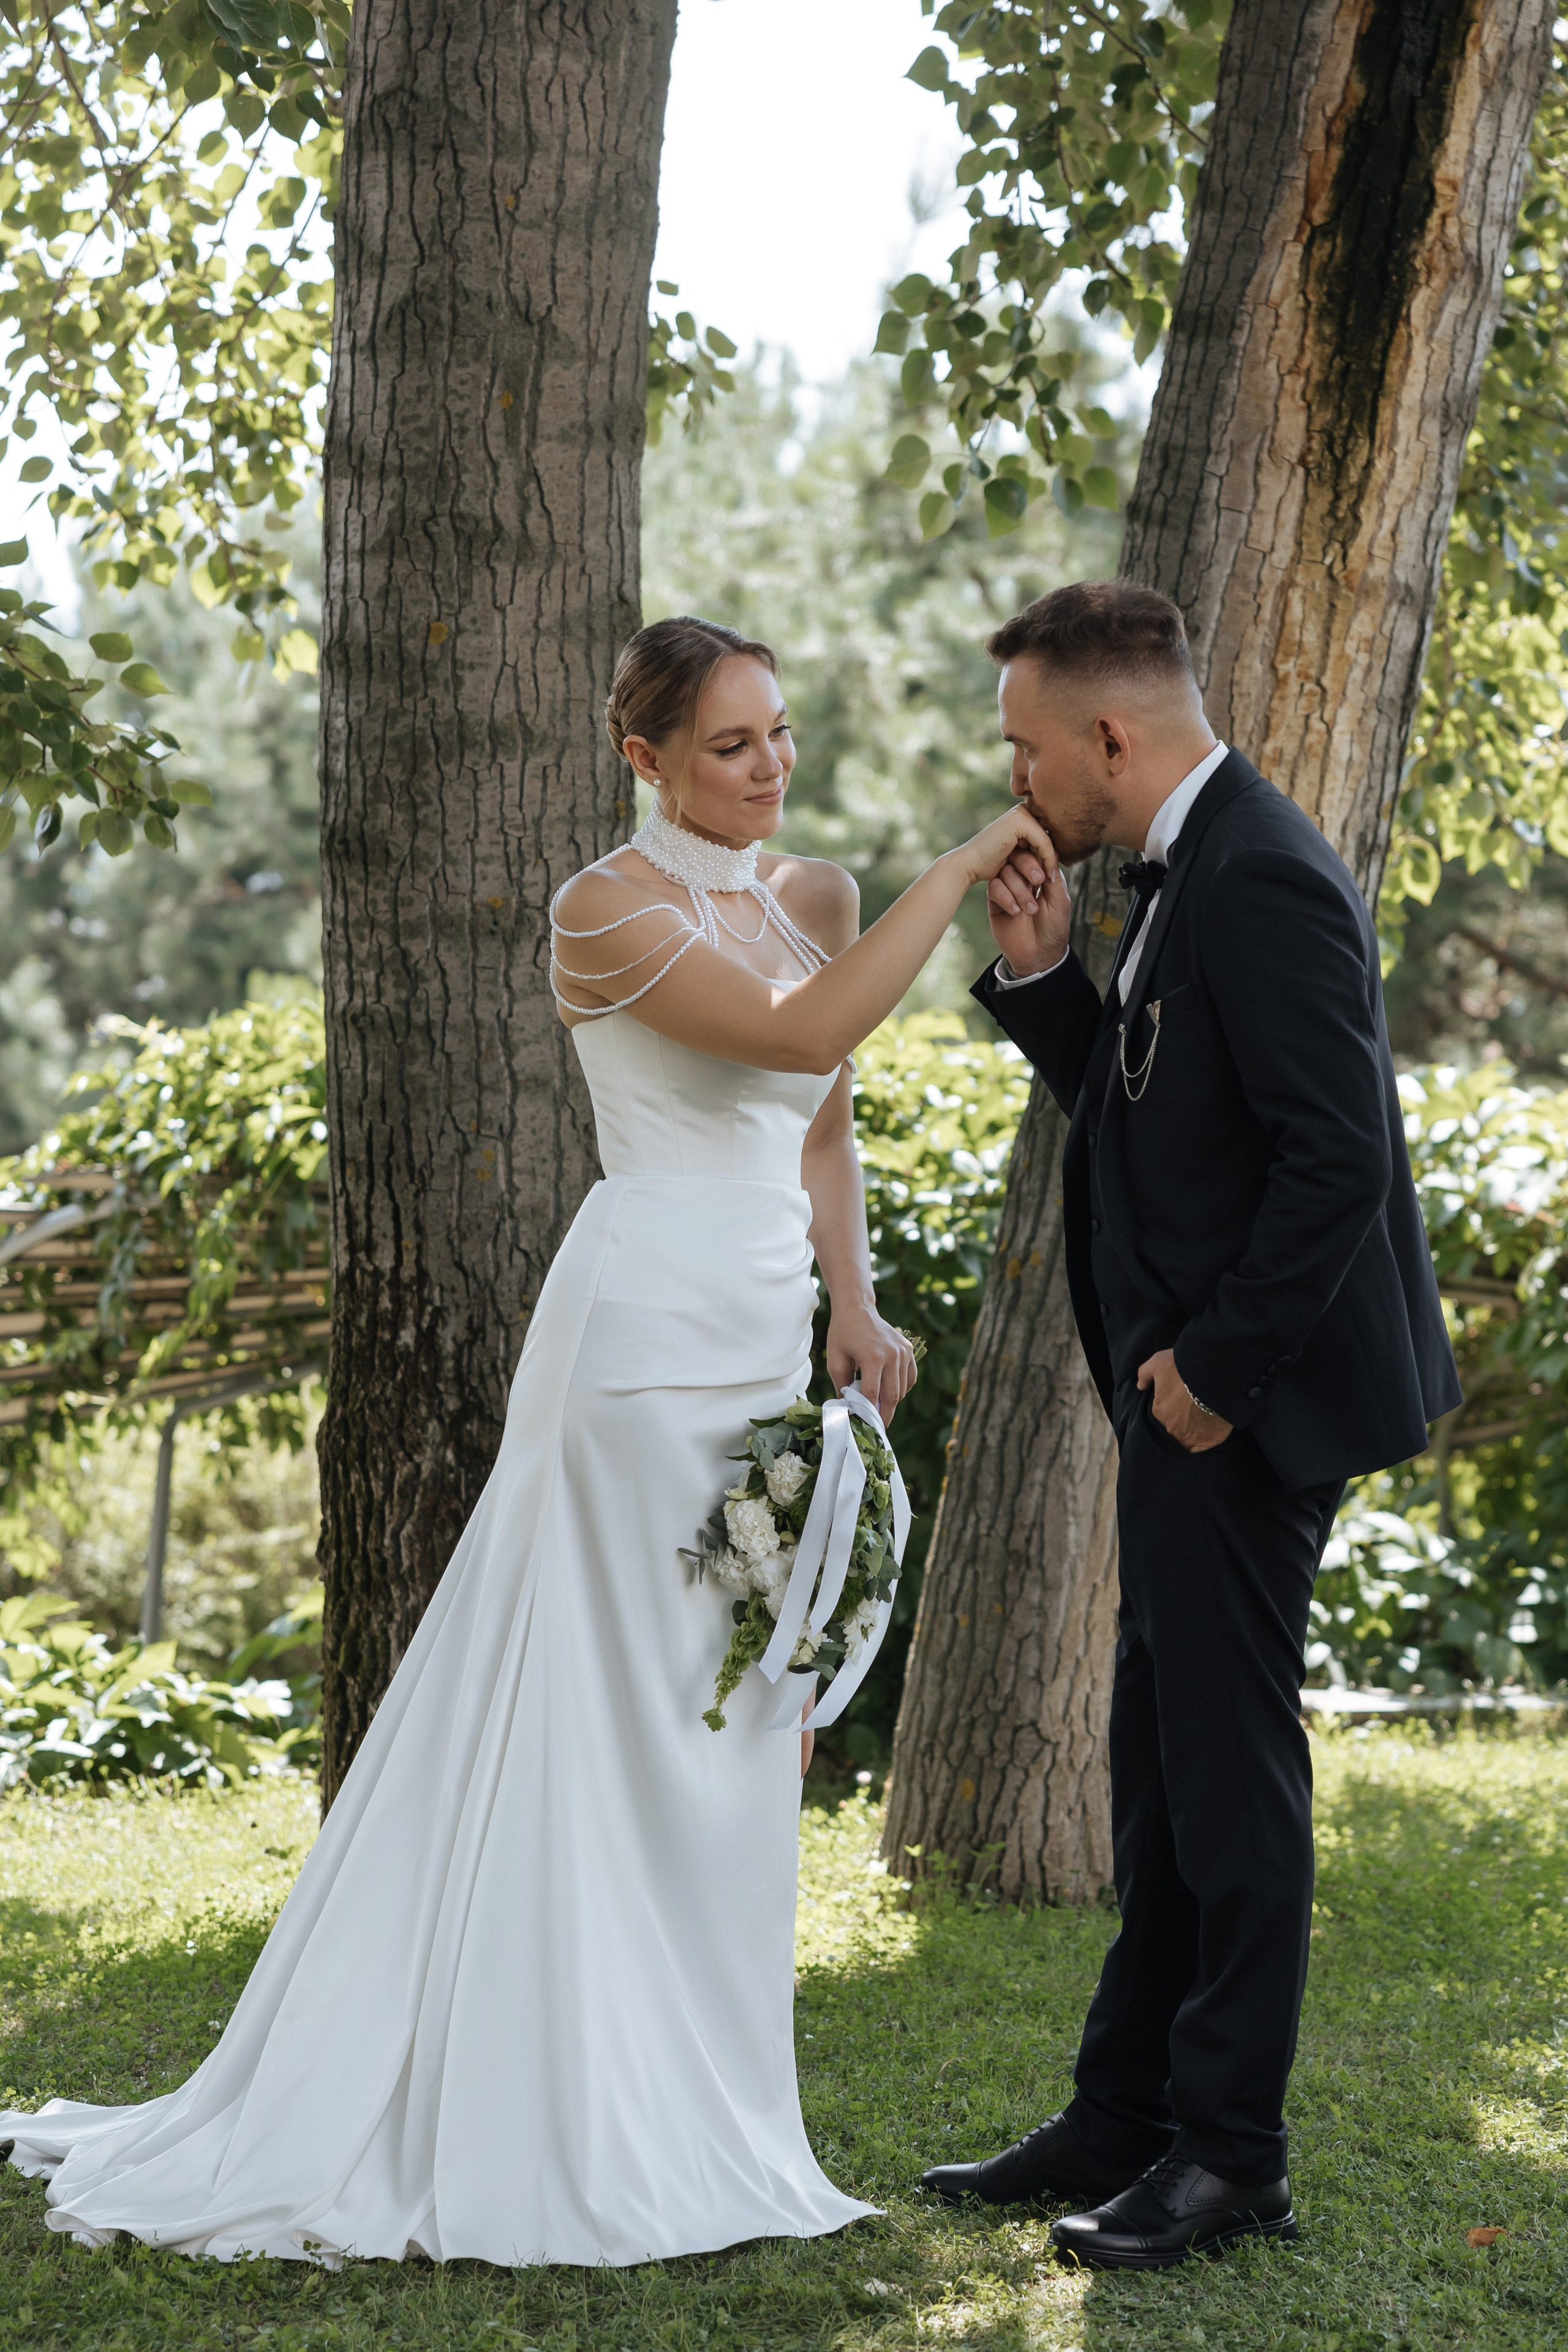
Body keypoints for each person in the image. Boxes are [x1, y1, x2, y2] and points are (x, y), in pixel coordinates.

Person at [0, 615, 1053, 2268]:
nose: (770, 766)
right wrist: (963, 864)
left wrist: (851, 1305)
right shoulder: (604, 911)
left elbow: (824, 1111)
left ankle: (701, 2095)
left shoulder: (816, 900)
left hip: (765, 1344)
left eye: (777, 733)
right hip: (634, 1353)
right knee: (621, 1706)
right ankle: (554, 2094)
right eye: (729, 745)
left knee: (742, 1711)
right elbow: (791, 1037)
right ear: (642, 757)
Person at [919, 580, 1460, 2269]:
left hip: (1247, 1409)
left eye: (1025, 744)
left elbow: (1337, 1159)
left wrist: (1214, 1378)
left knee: (1229, 1786)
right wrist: (1046, 986)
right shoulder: (1179, 869)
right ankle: (1126, 2107)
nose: (1017, 780)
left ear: (1108, 734)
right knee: (1157, 1769)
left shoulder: (1269, 873)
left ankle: (1233, 2157)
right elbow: (1169, 1123)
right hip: (1187, 1403)